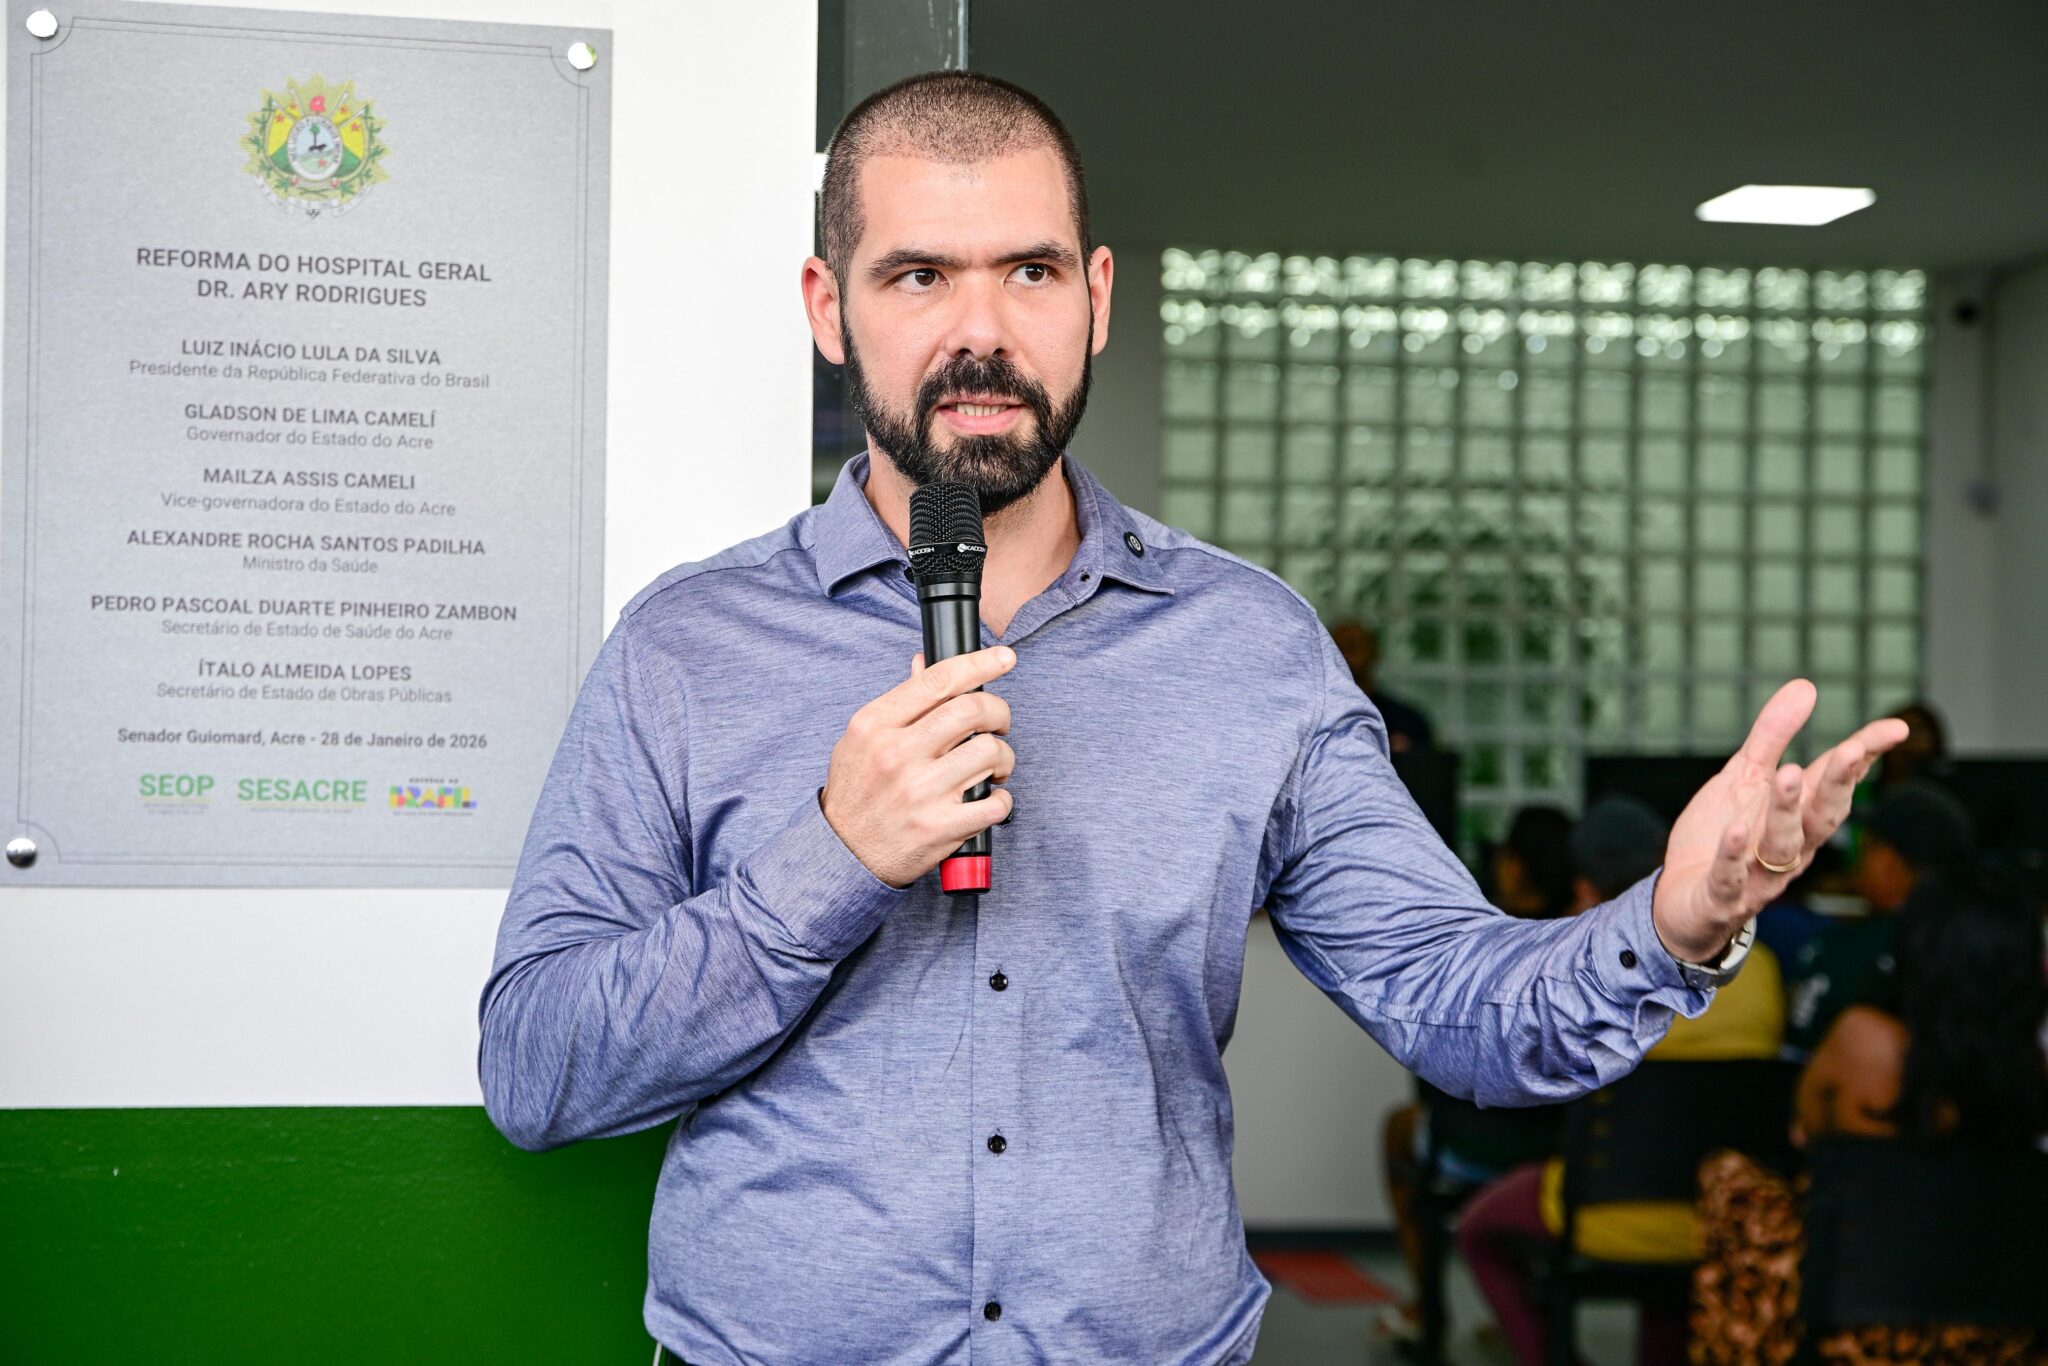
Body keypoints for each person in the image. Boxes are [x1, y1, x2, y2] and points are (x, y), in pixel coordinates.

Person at [477, 71, 1909, 1366]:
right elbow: (539, 1069)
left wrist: (1673, 919)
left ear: (1095, 295)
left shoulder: (1252, 648)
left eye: (1028, 269)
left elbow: (1458, 1003)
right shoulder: (689, 645)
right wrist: (830, 861)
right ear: (825, 305)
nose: (979, 330)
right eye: (916, 274)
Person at [1455, 797, 1787, 1366]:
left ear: (1586, 889)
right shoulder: (1757, 969)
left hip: (1599, 1210)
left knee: (1479, 1229)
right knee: (1668, 1291)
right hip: (1719, 1218)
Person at [1692, 867, 2048, 1363]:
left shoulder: (1862, 1041)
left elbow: (1804, 1132)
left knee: (1728, 1176)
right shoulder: (2030, 1069)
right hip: (1997, 1332)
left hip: (1854, 1321)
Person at [1376, 804, 1577, 1346]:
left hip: (1470, 1141)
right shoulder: (1585, 946)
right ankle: (1519, 1305)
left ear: (1514, 866)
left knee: (1399, 1130)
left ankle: (1427, 1307)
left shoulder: (1468, 938)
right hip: (1560, 1148)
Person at [1784, 781, 1975, 1059]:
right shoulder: (1987, 948)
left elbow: (1799, 1053)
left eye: (1868, 849)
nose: (1857, 864)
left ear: (1889, 865)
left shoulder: (1842, 950)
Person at [1330, 618, 1436, 753]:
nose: (1345, 657)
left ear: (1374, 653)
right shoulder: (1312, 720)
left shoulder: (1407, 721)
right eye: (1337, 650)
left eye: (1352, 647)